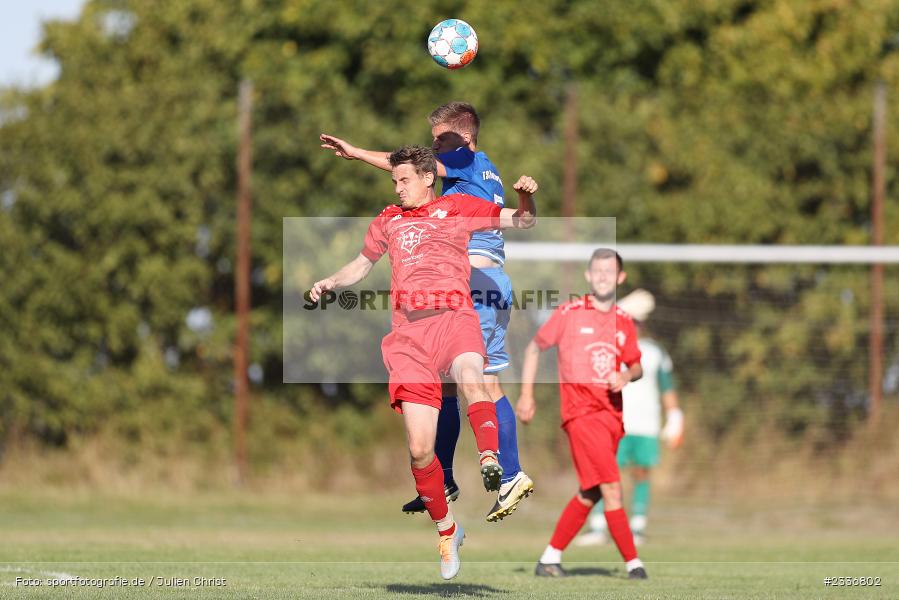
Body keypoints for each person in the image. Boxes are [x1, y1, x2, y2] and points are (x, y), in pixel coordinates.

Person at [309, 145, 538, 580]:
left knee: (473, 376)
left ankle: (490, 459)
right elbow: (361, 265)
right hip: (409, 337)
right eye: (394, 181)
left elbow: (522, 220)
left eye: (404, 180)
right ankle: (447, 530)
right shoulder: (389, 219)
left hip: (455, 319)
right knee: (419, 450)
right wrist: (330, 281)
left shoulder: (457, 207)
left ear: (429, 177)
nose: (398, 188)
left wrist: (526, 196)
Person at [516, 248, 648, 580]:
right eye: (597, 270)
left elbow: (636, 365)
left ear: (620, 278)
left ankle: (549, 558)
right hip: (580, 415)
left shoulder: (624, 321)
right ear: (589, 276)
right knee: (612, 489)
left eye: (610, 271)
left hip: (611, 417)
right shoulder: (570, 313)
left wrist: (626, 376)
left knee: (591, 490)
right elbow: (534, 347)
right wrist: (527, 394)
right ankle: (634, 564)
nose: (603, 276)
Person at [576, 289, 684, 547]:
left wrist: (675, 416)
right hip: (614, 420)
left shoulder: (655, 351)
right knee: (606, 473)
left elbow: (666, 387)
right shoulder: (607, 348)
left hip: (645, 424)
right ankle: (600, 526)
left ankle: (637, 526)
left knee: (641, 472)